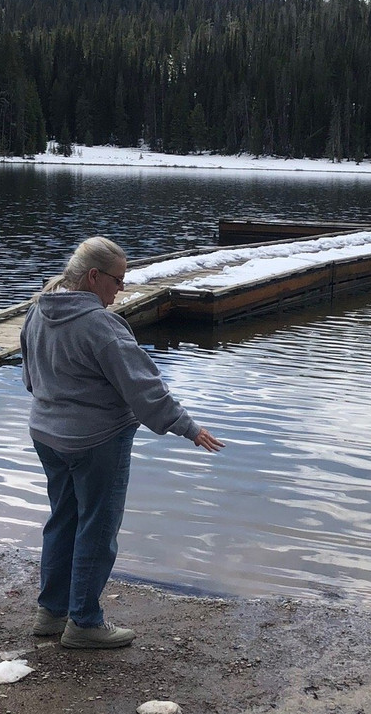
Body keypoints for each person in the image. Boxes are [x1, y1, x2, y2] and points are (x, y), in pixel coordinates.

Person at [20, 236, 224, 649]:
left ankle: (51, 613)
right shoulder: (100, 325)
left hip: (46, 434)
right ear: (94, 277)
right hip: (96, 441)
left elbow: (29, 375)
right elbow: (144, 389)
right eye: (117, 280)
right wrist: (187, 426)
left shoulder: (38, 309)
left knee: (63, 520)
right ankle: (85, 624)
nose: (121, 289)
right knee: (97, 528)